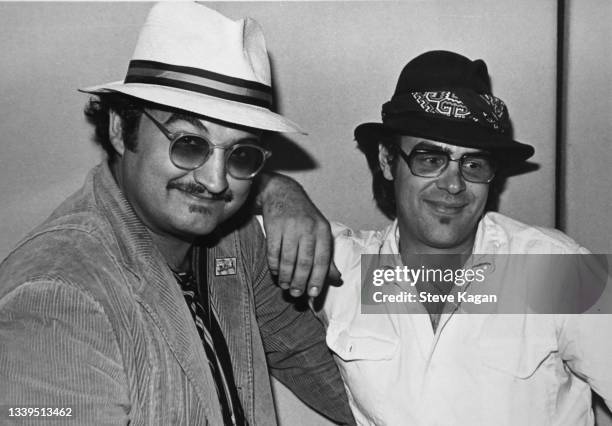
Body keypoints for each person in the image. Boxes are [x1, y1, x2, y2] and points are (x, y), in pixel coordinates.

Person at [0, 3, 354, 425]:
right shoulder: (57, 295)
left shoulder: (235, 241)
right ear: (119, 128)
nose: (217, 181)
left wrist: (281, 190)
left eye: (241, 154)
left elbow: (321, 367)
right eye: (189, 143)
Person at [320, 51, 612, 425]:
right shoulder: (342, 268)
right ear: (387, 161)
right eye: (429, 159)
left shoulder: (553, 267)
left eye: (473, 164)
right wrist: (280, 194)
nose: (454, 184)